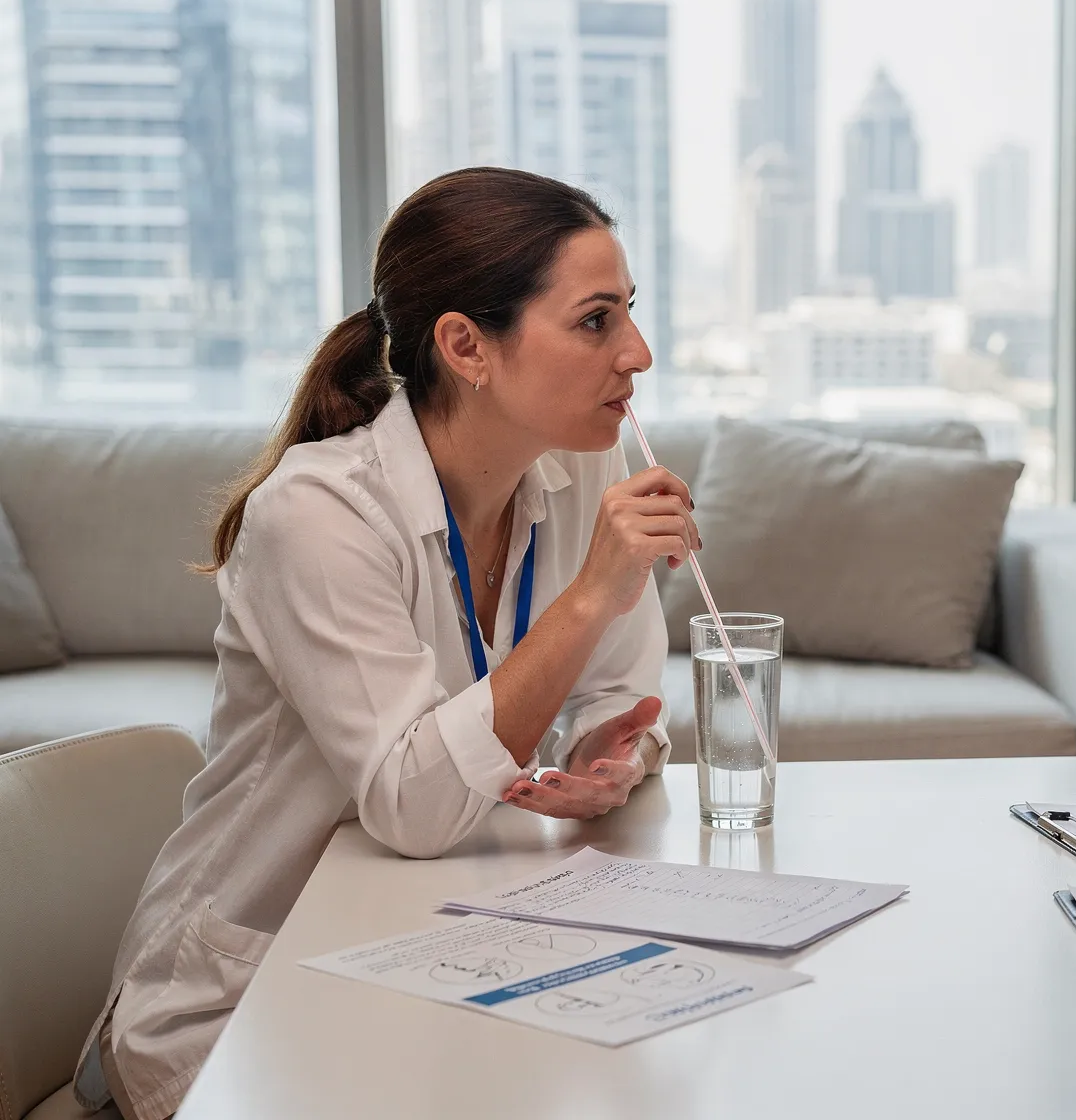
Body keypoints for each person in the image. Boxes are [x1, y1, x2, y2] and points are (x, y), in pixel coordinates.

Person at [73, 167, 702, 1119]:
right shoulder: (316, 513)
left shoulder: (586, 461)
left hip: (429, 949)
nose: (639, 354)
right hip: (241, 1012)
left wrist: (610, 753)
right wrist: (583, 602)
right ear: (466, 346)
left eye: (630, 315)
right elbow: (413, 806)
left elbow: (615, 693)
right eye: (596, 320)